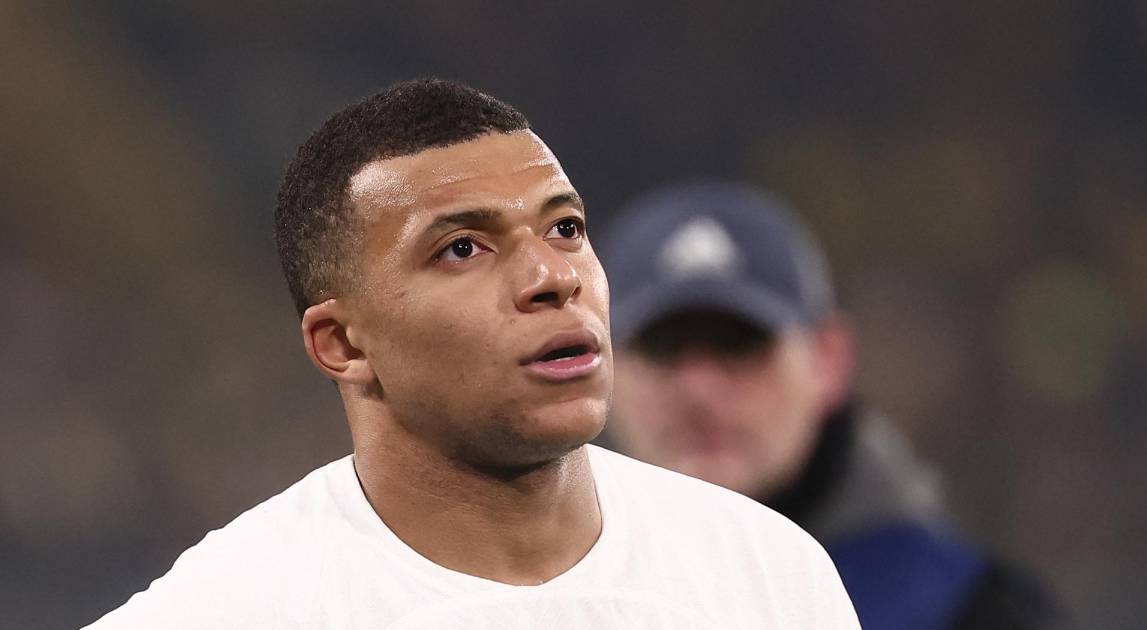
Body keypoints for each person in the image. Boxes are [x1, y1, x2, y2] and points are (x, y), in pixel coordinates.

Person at [85, 81, 858, 629]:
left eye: (564, 229)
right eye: (462, 248)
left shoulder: (765, 574)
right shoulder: (227, 611)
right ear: (343, 343)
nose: (553, 277)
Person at [600, 181, 1060, 630]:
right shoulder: (564, 600)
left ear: (828, 360)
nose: (699, 389)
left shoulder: (969, 611)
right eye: (660, 347)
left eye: (739, 344)